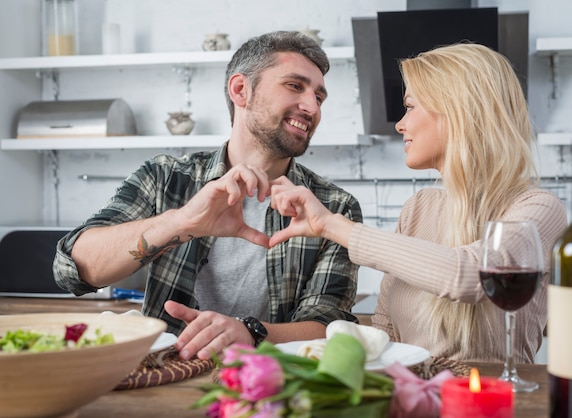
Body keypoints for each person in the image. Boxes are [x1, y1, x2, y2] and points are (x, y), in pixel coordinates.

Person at [53, 31, 362, 361]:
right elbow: (73, 269)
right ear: (241, 90)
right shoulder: (165, 178)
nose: (311, 106)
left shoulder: (333, 207)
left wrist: (249, 332)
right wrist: (183, 221)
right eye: (295, 86)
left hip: (272, 384)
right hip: (164, 376)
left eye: (319, 97)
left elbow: (329, 325)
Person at [269, 43, 568, 363]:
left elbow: (472, 275)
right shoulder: (419, 208)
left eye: (410, 106)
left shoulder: (539, 210)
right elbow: (385, 331)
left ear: (457, 111)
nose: (400, 124)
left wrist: (332, 224)